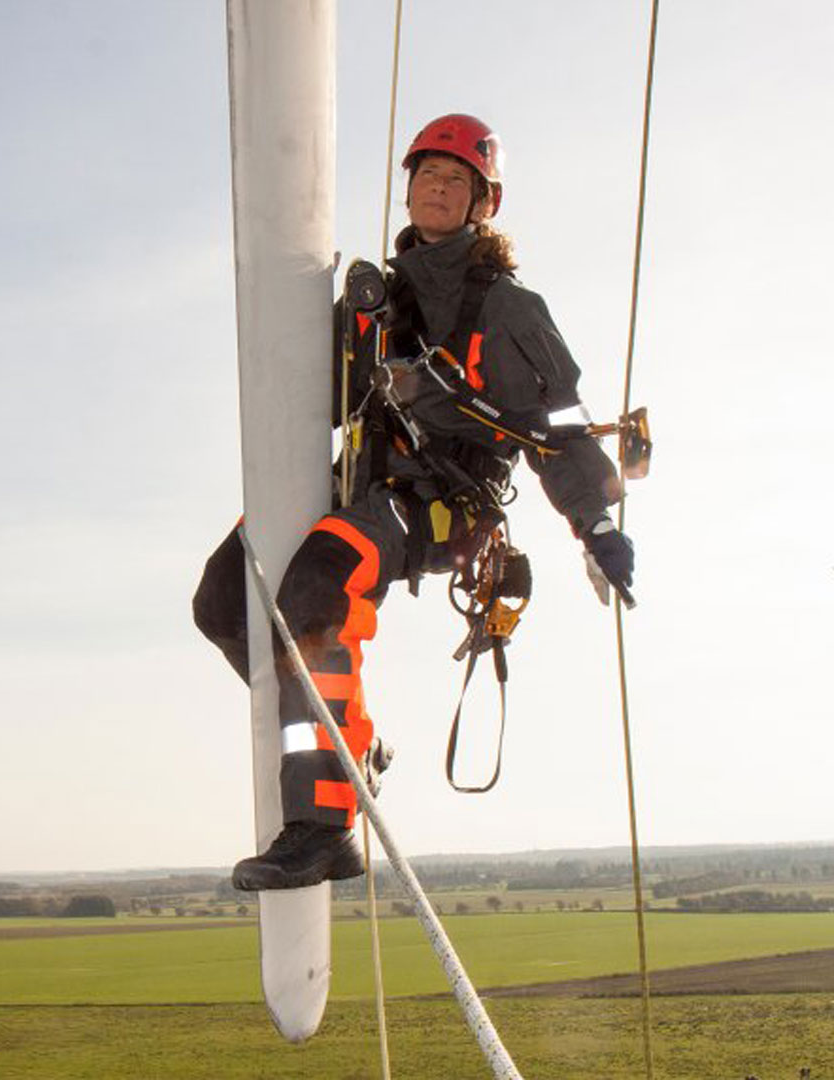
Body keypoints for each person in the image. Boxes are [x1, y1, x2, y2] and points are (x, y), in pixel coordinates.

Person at [193, 114, 636, 892]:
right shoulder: (378, 300)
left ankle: (325, 829)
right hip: (360, 480)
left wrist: (597, 525)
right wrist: (305, 323)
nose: (436, 186)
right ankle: (349, 748)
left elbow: (558, 429)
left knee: (317, 586)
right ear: (407, 189)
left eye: (455, 179)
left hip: (442, 504)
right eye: (426, 174)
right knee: (224, 600)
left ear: (482, 203)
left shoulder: (507, 308)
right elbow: (319, 403)